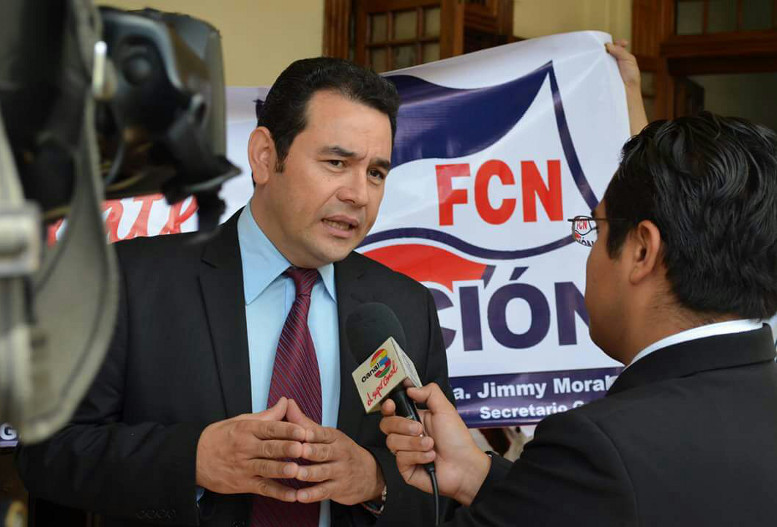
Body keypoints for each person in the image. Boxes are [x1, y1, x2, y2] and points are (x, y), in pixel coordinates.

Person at [16, 58, 451, 527]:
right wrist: (194, 460)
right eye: (336, 163)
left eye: (376, 173)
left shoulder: (406, 306)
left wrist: (375, 480)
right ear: (265, 156)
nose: (359, 194)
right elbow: (48, 453)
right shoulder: (129, 281)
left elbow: (444, 482)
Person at [380, 110, 777, 526]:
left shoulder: (596, 448)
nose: (589, 255)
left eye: (596, 231)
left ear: (642, 251)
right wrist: (475, 475)